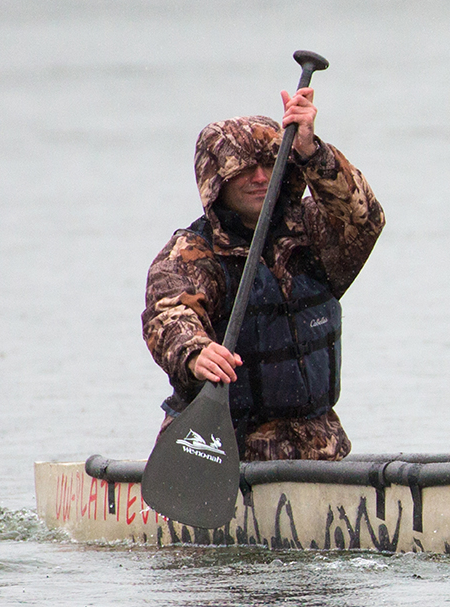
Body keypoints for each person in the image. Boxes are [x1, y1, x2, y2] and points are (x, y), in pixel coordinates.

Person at [142, 87, 385, 461]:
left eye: (269, 165)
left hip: (319, 447)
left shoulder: (311, 230)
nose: (259, 177)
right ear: (217, 181)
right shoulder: (189, 255)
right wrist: (196, 352)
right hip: (220, 452)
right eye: (243, 169)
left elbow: (363, 216)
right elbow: (169, 314)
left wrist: (311, 151)